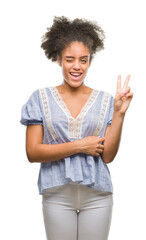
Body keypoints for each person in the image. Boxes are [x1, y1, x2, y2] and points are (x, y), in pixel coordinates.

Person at [20, 16, 133, 240]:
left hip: (98, 195)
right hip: (57, 195)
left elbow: (108, 156)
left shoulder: (105, 100)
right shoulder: (40, 98)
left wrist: (119, 113)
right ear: (58, 59)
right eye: (70, 59)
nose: (77, 66)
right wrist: (81, 146)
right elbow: (33, 152)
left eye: (83, 60)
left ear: (90, 61)